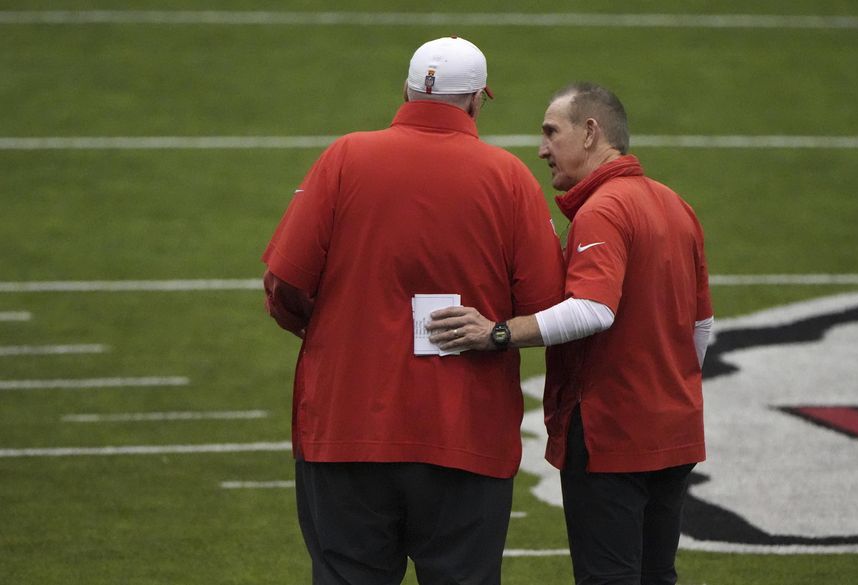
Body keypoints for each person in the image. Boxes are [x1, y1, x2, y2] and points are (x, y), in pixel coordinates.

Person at [261, 37, 564, 585]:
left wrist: (329, 330)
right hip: (465, 436)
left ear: (405, 88)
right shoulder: (509, 179)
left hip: (345, 426)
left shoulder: (344, 157)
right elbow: (545, 309)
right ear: (476, 101)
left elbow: (283, 283)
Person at [428, 82, 714, 585]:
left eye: (550, 132)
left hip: (612, 433)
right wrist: (671, 394)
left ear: (590, 133)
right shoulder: (676, 205)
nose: (541, 149)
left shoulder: (603, 208)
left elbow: (593, 310)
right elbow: (702, 327)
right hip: (675, 432)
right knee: (656, 575)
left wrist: (496, 333)